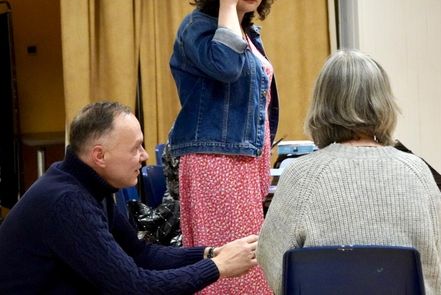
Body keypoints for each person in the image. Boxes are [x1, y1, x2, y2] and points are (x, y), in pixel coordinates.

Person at [0, 102, 259, 294]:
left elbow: (141, 254)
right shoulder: (67, 202)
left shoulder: (85, 184)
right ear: (99, 156)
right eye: (136, 148)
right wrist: (218, 266)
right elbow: (134, 288)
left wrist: (210, 253)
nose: (144, 156)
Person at [257, 49, 441, 295]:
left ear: (321, 104)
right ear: (383, 103)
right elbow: (440, 249)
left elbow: (274, 261)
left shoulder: (300, 175)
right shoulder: (416, 170)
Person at [166, 0, 281, 294]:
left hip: (246, 159)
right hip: (215, 160)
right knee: (231, 262)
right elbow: (227, 67)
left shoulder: (248, 32)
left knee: (248, 258)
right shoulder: (198, 27)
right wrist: (227, 5)